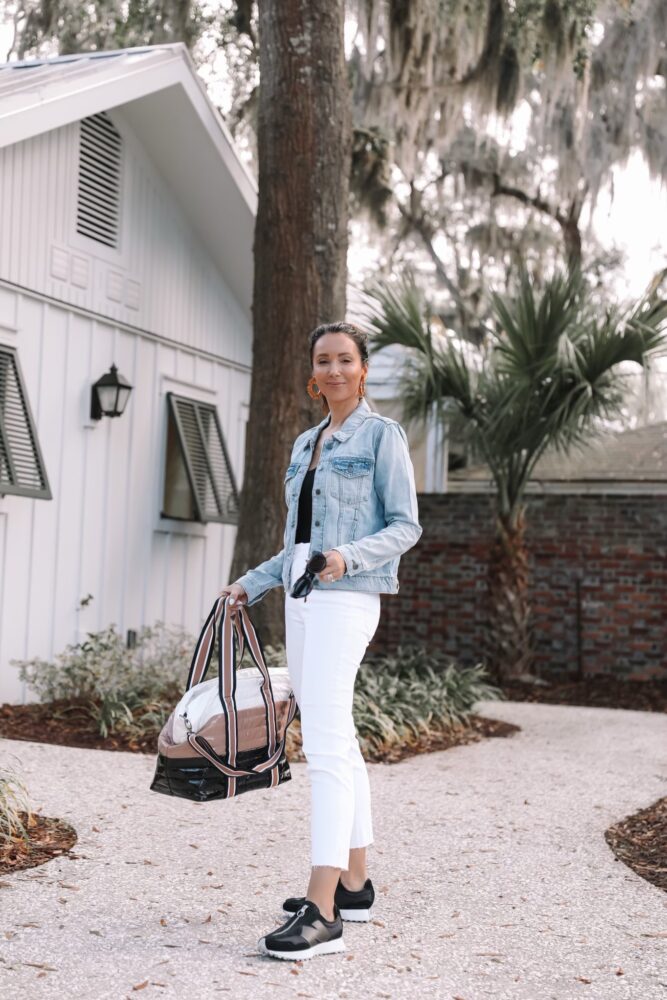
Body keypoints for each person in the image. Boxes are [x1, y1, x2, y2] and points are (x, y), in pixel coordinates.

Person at [218, 321, 422, 961]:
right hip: (303, 598)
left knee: (327, 746)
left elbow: (405, 526)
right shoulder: (306, 442)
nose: (334, 370)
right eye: (323, 361)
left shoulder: (381, 436)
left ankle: (323, 906)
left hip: (347, 596)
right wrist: (249, 586)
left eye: (345, 360)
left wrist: (346, 557)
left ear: (362, 370)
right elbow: (293, 544)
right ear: (314, 371)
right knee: (340, 736)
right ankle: (356, 883)